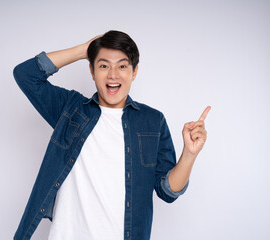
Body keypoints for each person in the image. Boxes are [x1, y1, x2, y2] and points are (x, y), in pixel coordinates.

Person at [13, 30, 211, 240]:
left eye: (122, 66)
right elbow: (26, 75)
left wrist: (189, 154)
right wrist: (83, 50)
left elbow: (168, 191)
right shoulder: (71, 110)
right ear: (92, 70)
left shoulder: (153, 121)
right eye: (104, 65)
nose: (113, 75)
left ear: (134, 72)